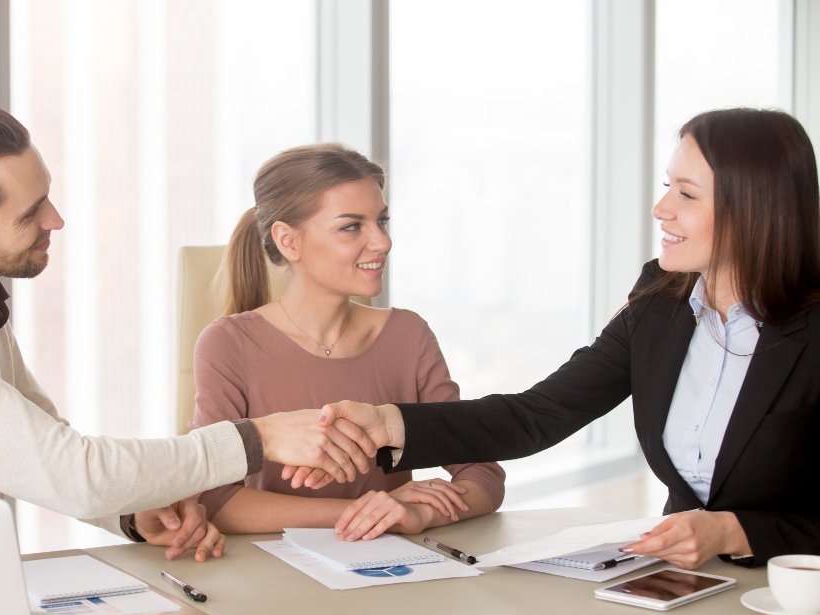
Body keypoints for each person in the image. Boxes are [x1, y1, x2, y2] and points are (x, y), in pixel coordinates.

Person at [0, 103, 375, 561]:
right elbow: (71, 470)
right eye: (30, 212)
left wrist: (133, 514)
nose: (56, 220)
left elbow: (42, 444)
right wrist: (259, 439)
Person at [317, 108, 820, 569]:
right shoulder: (661, 302)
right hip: (687, 588)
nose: (661, 207)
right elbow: (536, 415)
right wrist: (389, 423)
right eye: (668, 186)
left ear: (755, 207)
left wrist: (733, 531)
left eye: (686, 194)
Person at [188, 143, 505, 537]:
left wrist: (421, 514)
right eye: (351, 226)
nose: (382, 242)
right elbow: (214, 500)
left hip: (392, 572)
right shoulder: (228, 344)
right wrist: (367, 511)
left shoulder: (409, 336)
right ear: (289, 241)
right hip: (273, 576)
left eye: (382, 221)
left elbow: (482, 474)